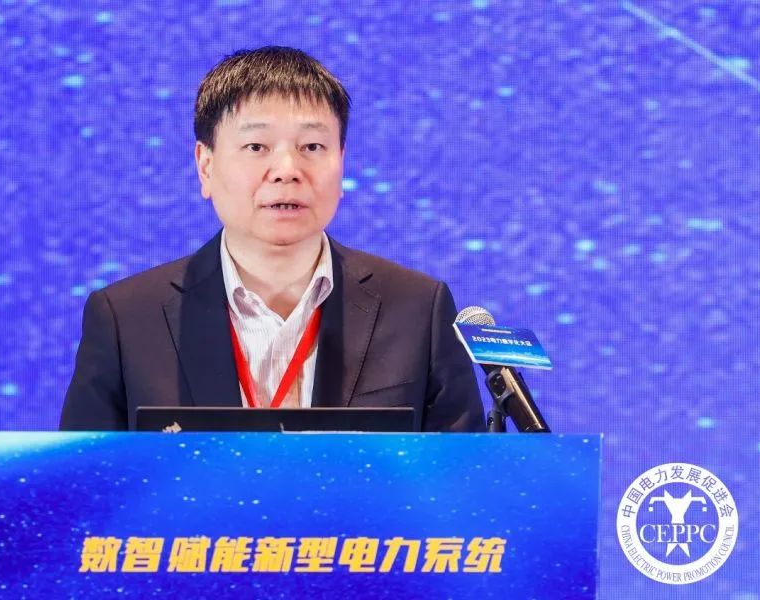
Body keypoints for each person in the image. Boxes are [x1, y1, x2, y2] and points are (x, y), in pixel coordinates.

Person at [60, 46, 486, 432]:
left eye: (312, 146)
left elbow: (460, 478)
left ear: (342, 162)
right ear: (205, 166)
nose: (287, 170)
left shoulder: (417, 309)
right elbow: (86, 481)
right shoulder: (127, 319)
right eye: (256, 146)